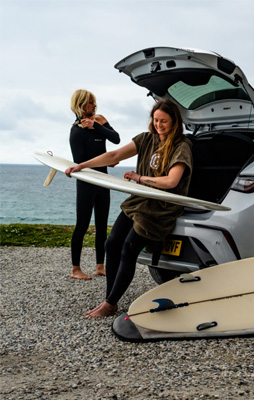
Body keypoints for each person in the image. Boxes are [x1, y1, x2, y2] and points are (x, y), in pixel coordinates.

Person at [66, 100, 193, 318]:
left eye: (164, 121)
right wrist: (83, 165)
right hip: (139, 201)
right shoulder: (146, 139)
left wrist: (138, 178)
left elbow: (172, 182)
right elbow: (114, 156)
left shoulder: (181, 146)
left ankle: (110, 303)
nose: (159, 125)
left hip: (161, 207)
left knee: (128, 249)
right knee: (111, 243)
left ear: (174, 122)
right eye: (156, 120)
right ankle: (110, 301)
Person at [69, 89, 120, 280]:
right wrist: (107, 161)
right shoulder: (76, 131)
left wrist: (98, 125)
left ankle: (100, 266)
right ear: (81, 104)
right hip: (87, 183)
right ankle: (75, 269)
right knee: (81, 225)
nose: (94, 105)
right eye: (90, 102)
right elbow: (80, 160)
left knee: (102, 225)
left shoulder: (100, 121)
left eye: (94, 102)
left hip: (103, 181)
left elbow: (116, 138)